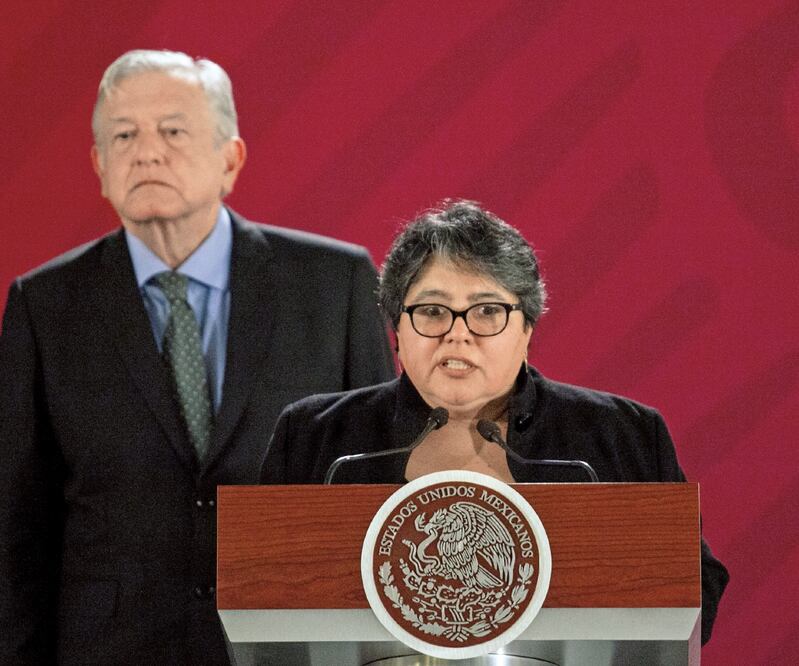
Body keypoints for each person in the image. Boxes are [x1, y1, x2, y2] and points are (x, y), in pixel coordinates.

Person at [0, 49, 394, 664]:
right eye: (123, 135)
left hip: (289, 645)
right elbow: (16, 523)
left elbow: (379, 488)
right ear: (100, 166)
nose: (146, 151)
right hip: (110, 649)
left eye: (173, 131)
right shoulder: (44, 305)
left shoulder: (334, 284)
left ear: (230, 159)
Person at [261, 199, 729, 644]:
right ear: (397, 330)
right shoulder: (317, 438)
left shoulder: (621, 436)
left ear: (526, 328)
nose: (457, 333)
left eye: (487, 311)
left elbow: (694, 594)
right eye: (431, 311)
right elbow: (259, 595)